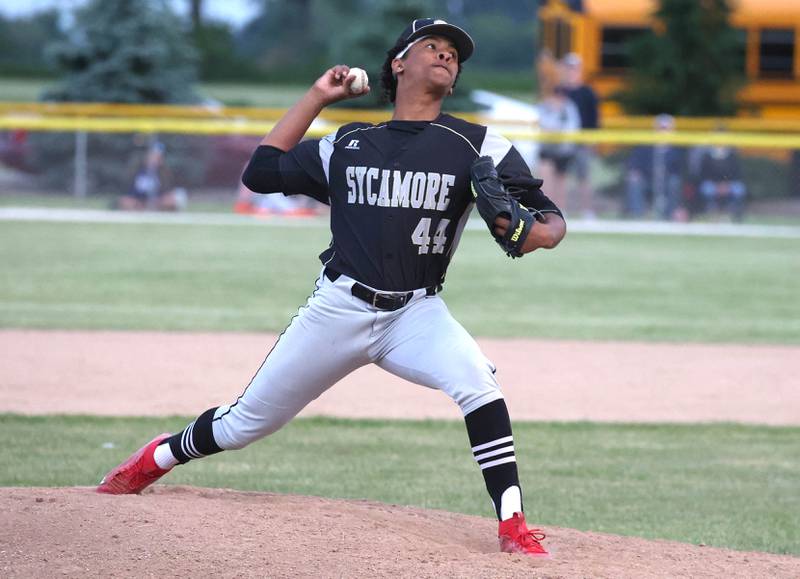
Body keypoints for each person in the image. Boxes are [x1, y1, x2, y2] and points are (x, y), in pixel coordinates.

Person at [96, 18, 566, 557]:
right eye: (431, 47)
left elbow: (550, 218)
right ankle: (155, 458)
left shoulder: (479, 144)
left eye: (454, 55)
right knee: (244, 424)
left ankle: (512, 524)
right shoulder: (348, 143)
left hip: (417, 313)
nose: (445, 56)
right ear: (398, 64)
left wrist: (538, 235)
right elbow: (261, 171)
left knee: (480, 385)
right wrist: (318, 96)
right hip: (338, 307)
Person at [535, 52, 581, 212]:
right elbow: (541, 123)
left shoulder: (568, 107)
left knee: (561, 181)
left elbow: (573, 126)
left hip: (563, 149)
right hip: (547, 148)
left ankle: (560, 210)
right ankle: (546, 209)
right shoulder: (545, 106)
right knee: (545, 179)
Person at [623, 114, 684, 220]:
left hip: (667, 181)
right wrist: (635, 173)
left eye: (666, 128)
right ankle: (638, 215)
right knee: (634, 181)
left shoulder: (678, 148)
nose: (663, 131)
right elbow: (634, 164)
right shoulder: (645, 146)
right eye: (661, 128)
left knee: (674, 182)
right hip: (648, 180)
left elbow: (682, 170)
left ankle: (670, 216)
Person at [561, 53, 600, 219]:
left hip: (582, 140)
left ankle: (587, 211)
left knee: (583, 176)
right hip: (563, 141)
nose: (572, 71)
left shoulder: (587, 92)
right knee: (562, 176)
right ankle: (561, 210)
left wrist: (591, 141)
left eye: (574, 68)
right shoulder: (560, 91)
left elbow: (594, 119)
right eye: (569, 68)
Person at [115, 141, 187, 211]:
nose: (155, 160)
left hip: (157, 202)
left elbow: (167, 192)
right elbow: (130, 191)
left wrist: (158, 201)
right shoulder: (137, 169)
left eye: (158, 157)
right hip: (138, 201)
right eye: (153, 156)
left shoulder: (163, 173)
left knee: (171, 201)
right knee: (126, 202)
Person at [698, 145, 746, 221]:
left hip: (729, 184)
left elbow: (736, 174)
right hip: (713, 184)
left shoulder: (732, 156)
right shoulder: (707, 156)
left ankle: (734, 212)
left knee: (739, 189)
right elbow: (704, 175)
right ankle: (711, 211)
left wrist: (726, 185)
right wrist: (718, 186)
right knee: (706, 188)